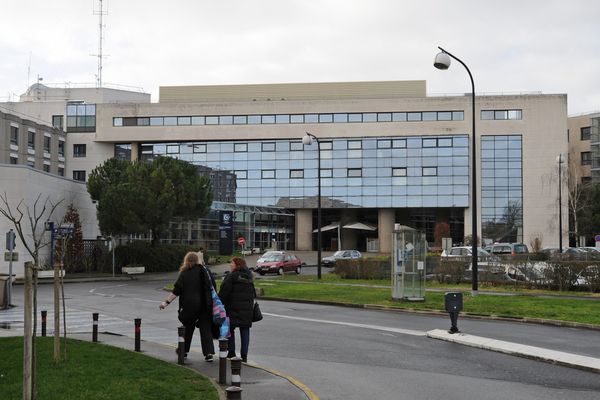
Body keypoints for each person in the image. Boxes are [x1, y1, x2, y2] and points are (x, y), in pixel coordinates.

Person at [160, 251, 216, 362]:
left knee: (188, 329)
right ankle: (208, 353)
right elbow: (213, 287)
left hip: (189, 306)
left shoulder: (184, 273)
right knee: (205, 330)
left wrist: (166, 303)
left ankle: (184, 351)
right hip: (205, 305)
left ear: (186, 260)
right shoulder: (205, 271)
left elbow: (176, 291)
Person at [218, 257, 255, 362]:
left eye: (232, 263)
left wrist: (220, 304)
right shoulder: (249, 277)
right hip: (247, 309)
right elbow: (253, 293)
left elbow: (224, 292)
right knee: (245, 330)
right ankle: (244, 355)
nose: (230, 265)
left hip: (232, 308)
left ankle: (231, 352)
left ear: (237, 265)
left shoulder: (231, 276)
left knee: (230, 329)